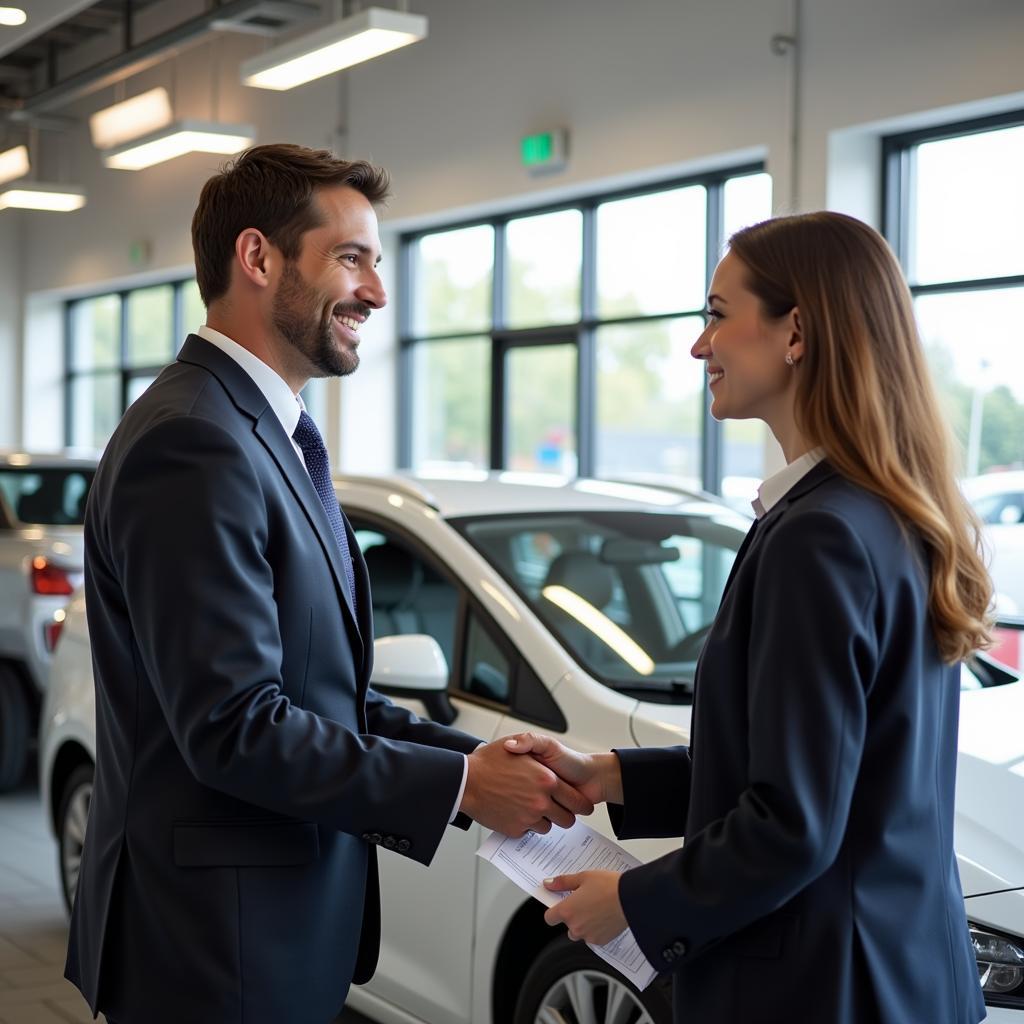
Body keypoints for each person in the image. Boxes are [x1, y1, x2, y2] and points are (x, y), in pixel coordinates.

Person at [65, 144, 591, 1024]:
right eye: (352, 258)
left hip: (266, 935)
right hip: (214, 953)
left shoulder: (263, 433)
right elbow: (234, 728)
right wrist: (462, 792)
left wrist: (483, 764)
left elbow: (323, 694)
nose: (377, 294)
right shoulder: (193, 442)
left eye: (376, 263)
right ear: (258, 258)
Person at [507, 211, 992, 1023]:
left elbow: (794, 826)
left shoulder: (821, 537)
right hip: (898, 975)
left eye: (717, 314)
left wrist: (632, 901)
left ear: (795, 331)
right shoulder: (883, 514)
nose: (700, 347)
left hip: (820, 988)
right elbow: (823, 771)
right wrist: (616, 776)